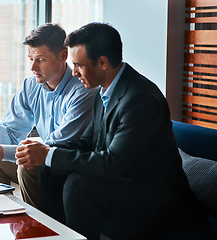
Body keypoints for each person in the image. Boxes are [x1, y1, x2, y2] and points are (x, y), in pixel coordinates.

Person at [15, 23, 209, 240]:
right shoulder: (102, 91)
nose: (74, 72)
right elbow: (87, 141)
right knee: (48, 169)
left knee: (79, 185)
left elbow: (112, 163)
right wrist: (46, 151)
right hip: (124, 181)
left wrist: (50, 155)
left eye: (79, 65)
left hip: (154, 195)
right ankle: (58, 236)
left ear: (103, 62)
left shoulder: (140, 98)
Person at [0, 23, 95, 210]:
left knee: (27, 165)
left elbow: (55, 147)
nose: (32, 67)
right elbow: (11, 130)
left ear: (63, 56)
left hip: (68, 166)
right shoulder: (31, 85)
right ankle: (2, 213)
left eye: (40, 59)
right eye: (30, 58)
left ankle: (40, 227)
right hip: (46, 159)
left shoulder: (82, 91)